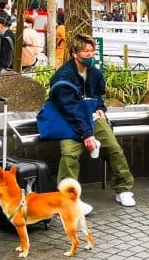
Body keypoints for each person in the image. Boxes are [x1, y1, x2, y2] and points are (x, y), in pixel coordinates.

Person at [48, 34, 136, 208]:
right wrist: (87, 134)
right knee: (70, 154)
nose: (90, 54)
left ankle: (123, 188)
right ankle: (68, 198)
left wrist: (100, 108)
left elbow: (97, 96)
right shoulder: (63, 77)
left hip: (92, 118)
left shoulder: (95, 73)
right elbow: (71, 108)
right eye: (85, 51)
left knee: (114, 148)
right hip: (68, 121)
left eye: (92, 51)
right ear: (74, 53)